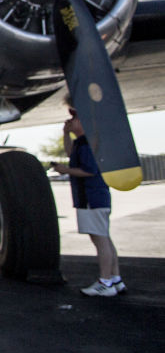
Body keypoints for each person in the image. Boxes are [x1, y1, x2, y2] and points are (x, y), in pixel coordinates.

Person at [51, 107, 126, 297]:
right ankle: (115, 279)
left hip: (91, 198)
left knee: (100, 240)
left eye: (75, 118)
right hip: (94, 198)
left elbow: (89, 170)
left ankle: (105, 282)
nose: (71, 121)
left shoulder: (87, 145)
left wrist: (65, 170)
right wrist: (65, 134)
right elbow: (71, 154)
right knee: (104, 238)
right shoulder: (83, 143)